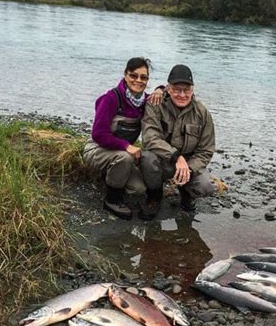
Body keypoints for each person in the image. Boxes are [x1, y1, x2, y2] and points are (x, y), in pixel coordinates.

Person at [83, 57, 163, 220]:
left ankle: (108, 177)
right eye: (133, 75)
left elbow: (172, 95)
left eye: (143, 77)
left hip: (120, 154)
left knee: (138, 190)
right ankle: (111, 200)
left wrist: (161, 89)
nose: (138, 81)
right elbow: (98, 134)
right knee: (124, 157)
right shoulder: (112, 98)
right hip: (97, 149)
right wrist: (126, 146)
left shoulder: (145, 101)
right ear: (125, 75)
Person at [139, 64, 216, 220]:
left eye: (186, 90)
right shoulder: (155, 104)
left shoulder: (202, 113)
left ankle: (187, 195)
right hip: (163, 161)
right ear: (168, 88)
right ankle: (154, 196)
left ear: (192, 89)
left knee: (206, 186)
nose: (182, 94)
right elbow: (150, 138)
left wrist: (189, 169)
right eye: (176, 89)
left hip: (188, 164)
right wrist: (175, 156)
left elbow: (206, 150)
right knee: (147, 158)